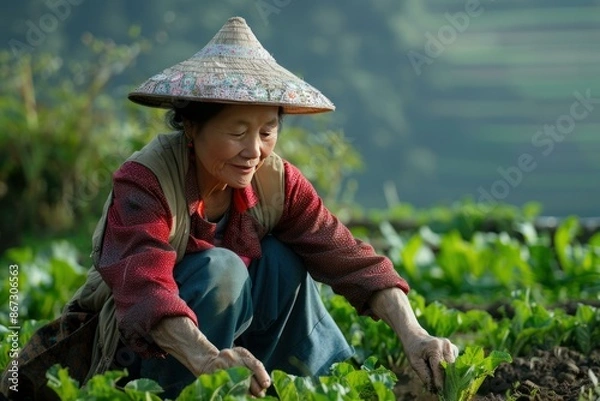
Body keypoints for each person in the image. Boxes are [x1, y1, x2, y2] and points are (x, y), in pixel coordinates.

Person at [3, 16, 458, 400]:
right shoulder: (145, 182)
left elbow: (347, 257)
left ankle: (319, 381)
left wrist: (413, 332)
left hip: (222, 353)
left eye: (266, 131)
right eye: (237, 132)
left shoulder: (278, 181)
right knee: (223, 270)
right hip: (137, 356)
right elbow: (143, 288)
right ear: (192, 127)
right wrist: (207, 358)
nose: (254, 150)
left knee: (281, 260)